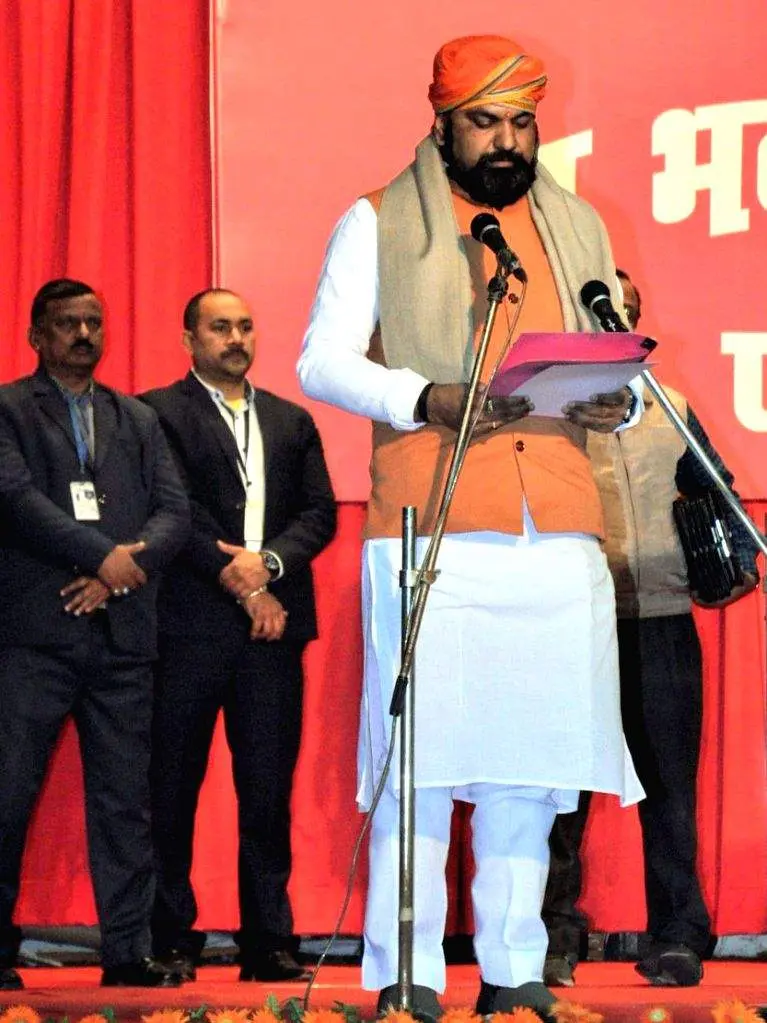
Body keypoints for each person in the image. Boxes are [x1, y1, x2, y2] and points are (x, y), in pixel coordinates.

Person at [298, 34, 645, 1022]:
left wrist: (611, 401)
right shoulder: (374, 220)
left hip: (557, 528)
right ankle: (405, 972)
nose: (504, 141)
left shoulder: (575, 225)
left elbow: (608, 356)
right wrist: (425, 397)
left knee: (531, 768)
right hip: (432, 526)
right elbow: (322, 360)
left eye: (519, 122)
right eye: (483, 121)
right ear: (442, 124)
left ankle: (512, 968)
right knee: (418, 763)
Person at [542, 270, 759, 989]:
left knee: (669, 790)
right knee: (561, 794)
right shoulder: (546, 409)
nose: (614, 326)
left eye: (625, 314)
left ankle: (677, 935)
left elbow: (716, 487)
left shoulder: (671, 406)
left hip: (662, 620)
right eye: (600, 315)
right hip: (571, 624)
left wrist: (730, 558)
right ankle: (552, 936)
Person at [139, 288, 336, 983]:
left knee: (266, 791)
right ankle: (167, 936)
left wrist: (269, 566)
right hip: (188, 626)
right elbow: (172, 510)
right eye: (219, 327)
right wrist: (245, 584)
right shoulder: (156, 414)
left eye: (245, 326)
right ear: (189, 339)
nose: (236, 339)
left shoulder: (290, 419)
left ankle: (268, 941)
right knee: (170, 788)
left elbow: (319, 513)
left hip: (271, 635)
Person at [0, 278, 190, 990]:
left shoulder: (135, 417)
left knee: (124, 801)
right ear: (36, 336)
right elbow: (15, 498)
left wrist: (117, 573)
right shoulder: (8, 409)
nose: (84, 334)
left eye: (93, 322)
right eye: (67, 323)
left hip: (122, 636)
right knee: (8, 793)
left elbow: (174, 512)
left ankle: (127, 951)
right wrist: (99, 555)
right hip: (34, 635)